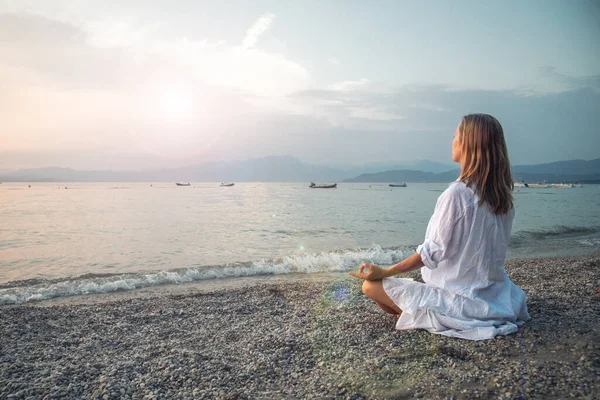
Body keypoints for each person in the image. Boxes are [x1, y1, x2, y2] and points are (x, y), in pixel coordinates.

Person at [350, 114, 530, 340]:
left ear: (468, 143)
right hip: (493, 296)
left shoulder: (457, 194)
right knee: (391, 292)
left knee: (370, 287)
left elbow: (433, 251)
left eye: (456, 136)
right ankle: (422, 312)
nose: (452, 141)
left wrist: (387, 271)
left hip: (461, 299)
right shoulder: (503, 198)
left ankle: (428, 316)